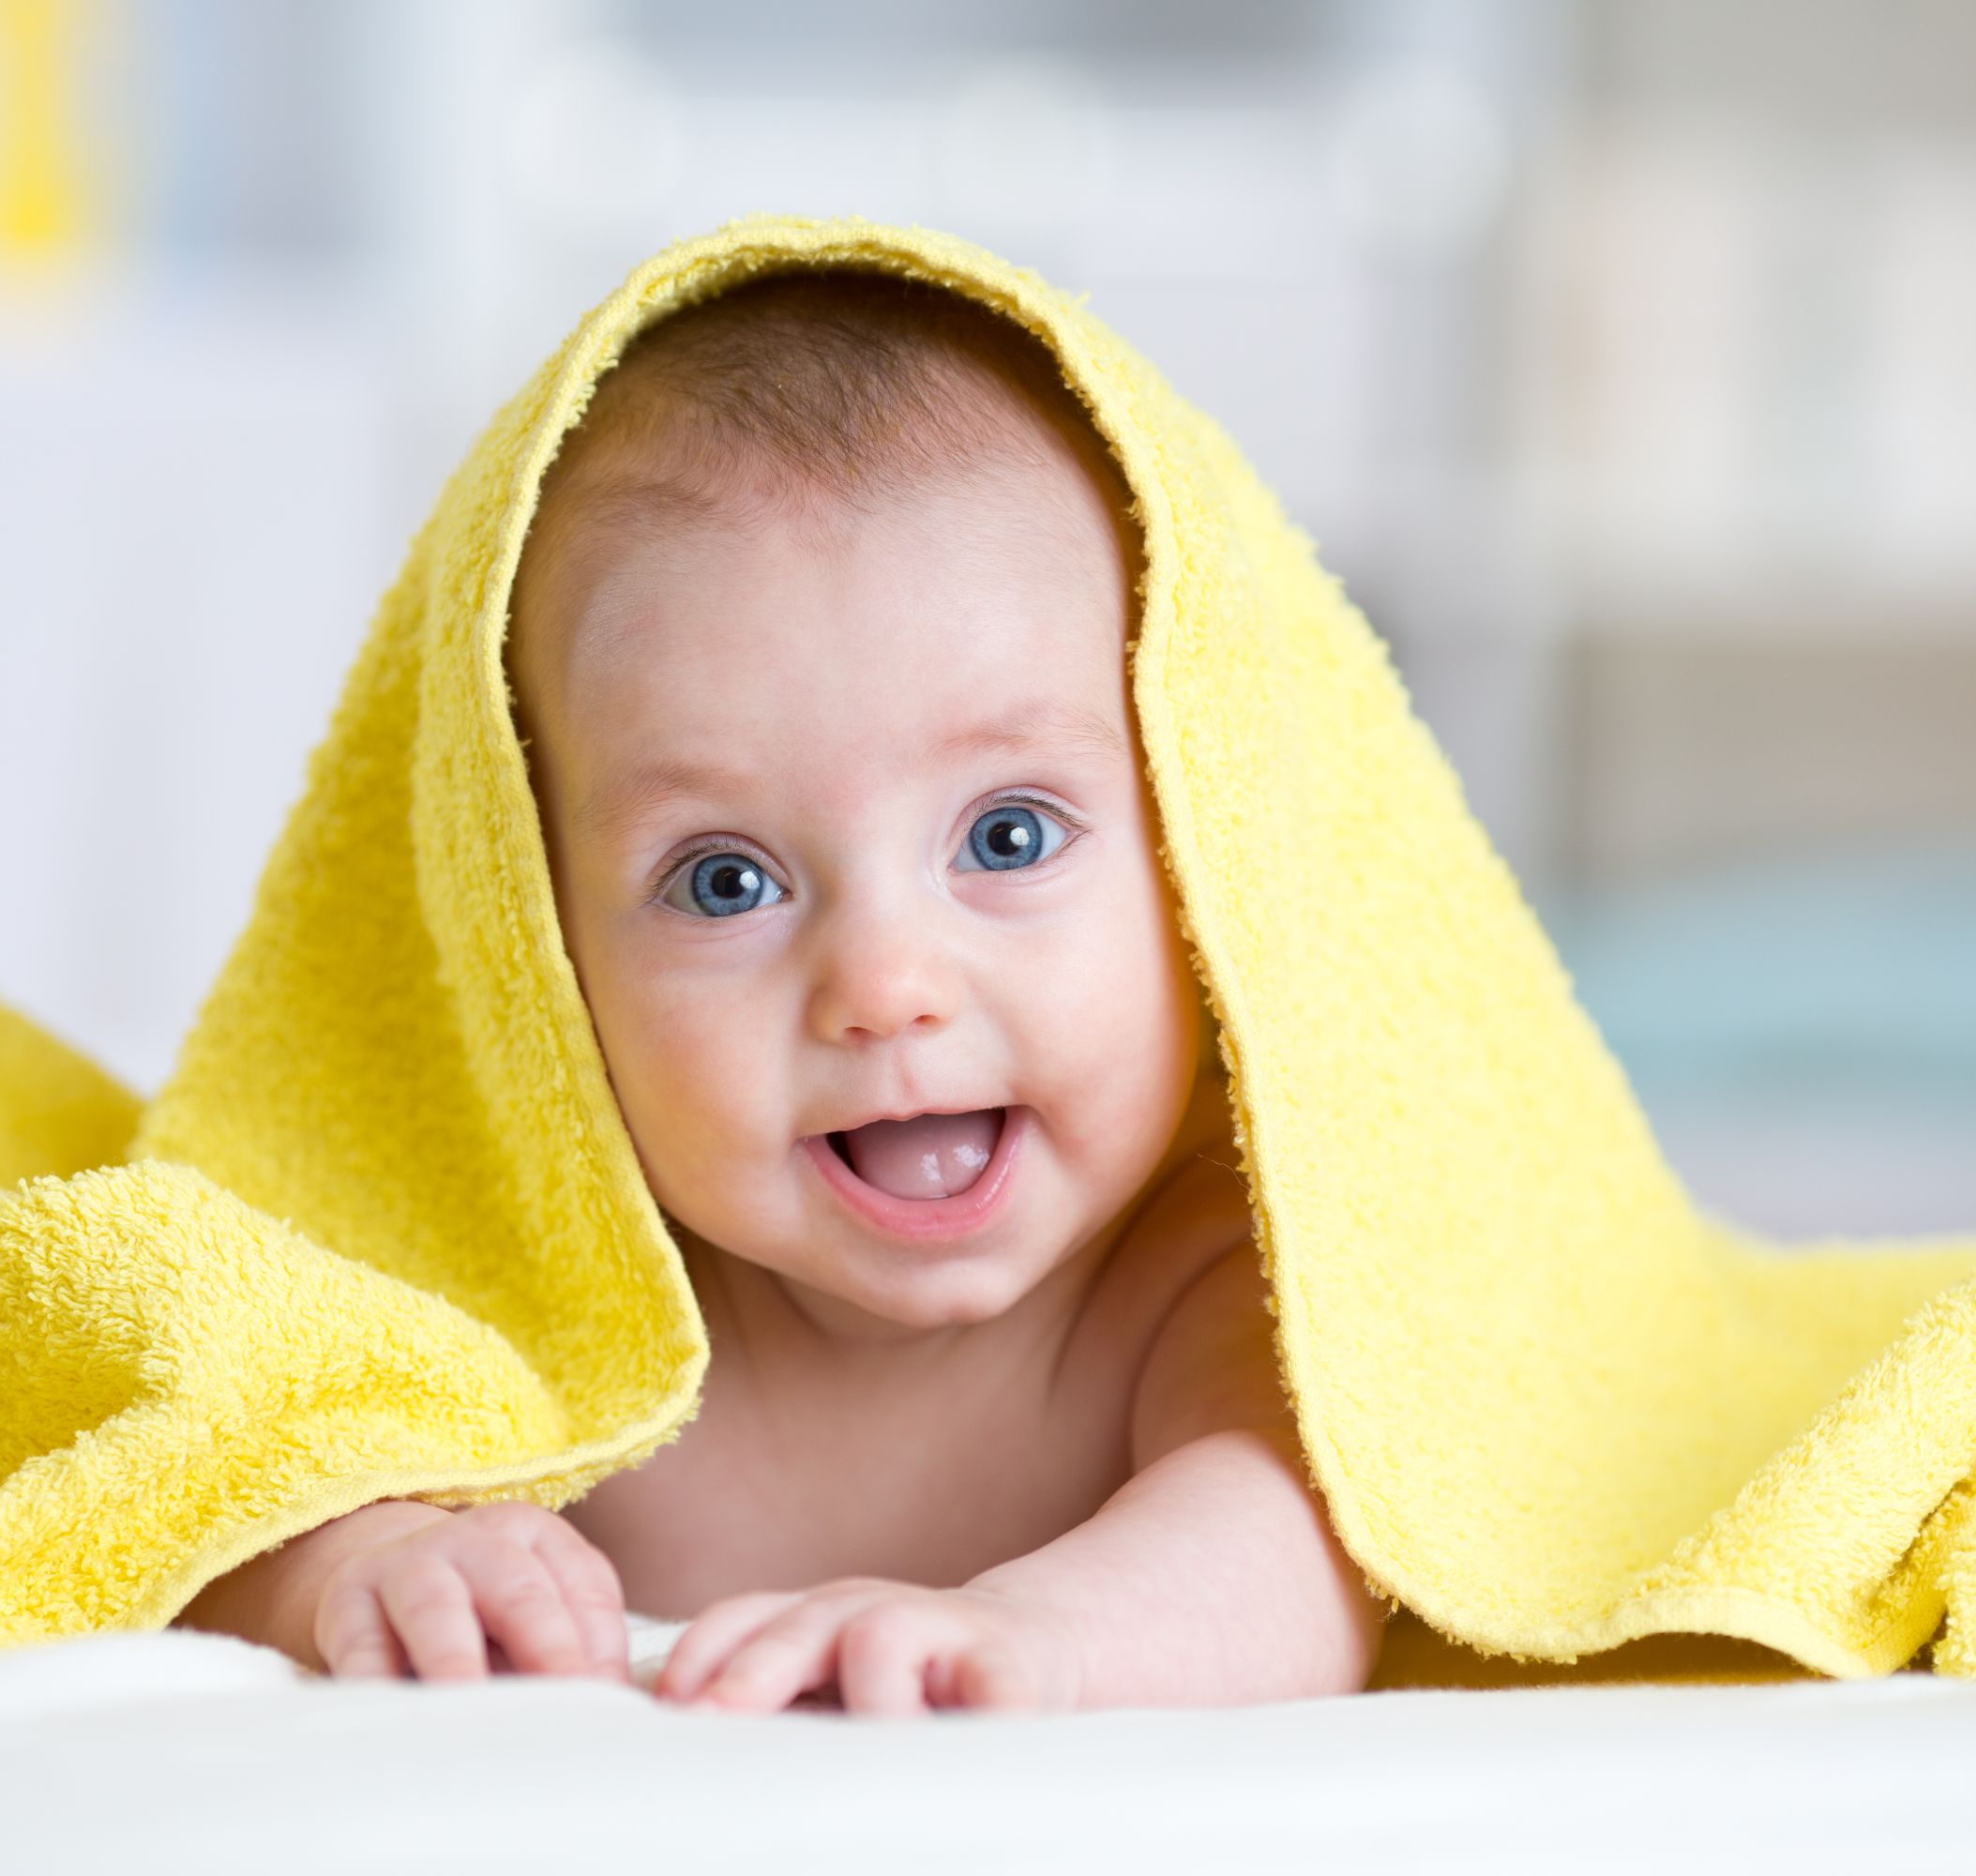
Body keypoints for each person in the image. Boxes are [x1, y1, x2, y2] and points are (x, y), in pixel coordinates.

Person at [179, 272, 1383, 1714]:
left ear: (1202, 854)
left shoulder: (1214, 1276)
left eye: (1006, 836)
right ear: (528, 943)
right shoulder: (509, 1281)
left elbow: (1299, 1550)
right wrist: (343, 1565)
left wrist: (1045, 1637)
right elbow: (199, 1472)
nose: (884, 989)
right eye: (723, 881)